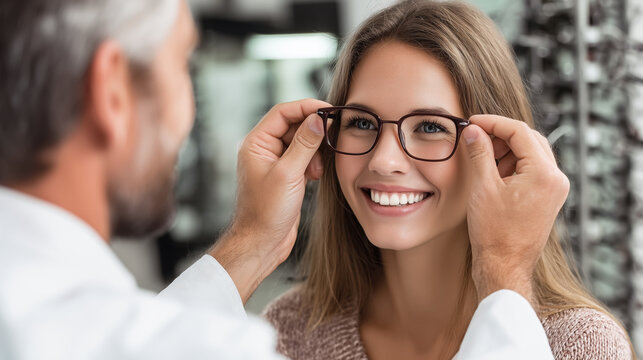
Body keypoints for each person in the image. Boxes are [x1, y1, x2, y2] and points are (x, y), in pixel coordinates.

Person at [0, 0, 567, 359]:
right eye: (183, 69)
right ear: (112, 91)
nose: (386, 160)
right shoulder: (275, 335)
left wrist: (252, 240)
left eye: (432, 127)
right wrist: (505, 272)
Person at [263, 1, 634, 359]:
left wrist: (502, 273)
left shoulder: (578, 345)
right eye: (361, 123)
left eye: (429, 126)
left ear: (501, 150)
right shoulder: (287, 330)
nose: (384, 160)